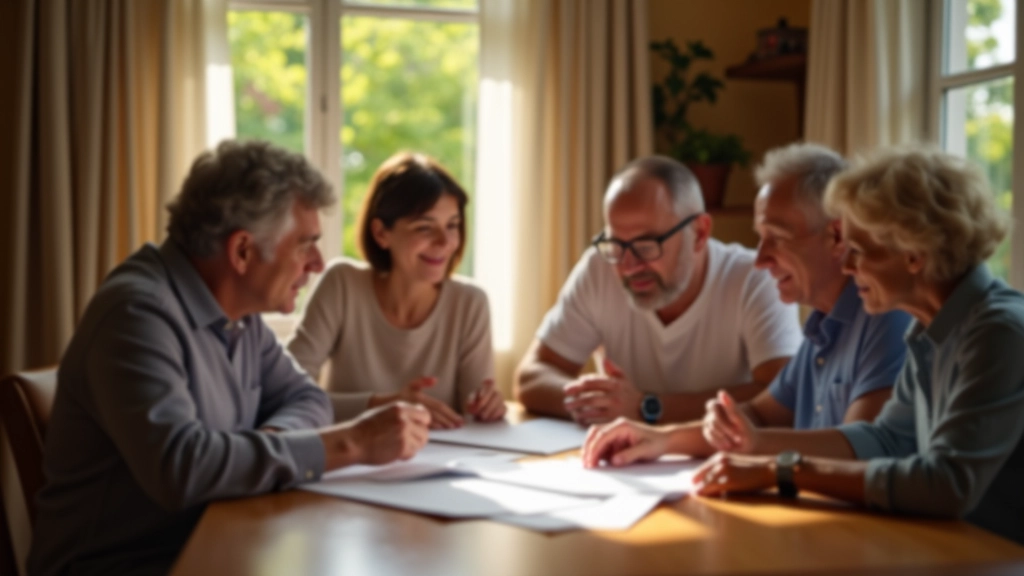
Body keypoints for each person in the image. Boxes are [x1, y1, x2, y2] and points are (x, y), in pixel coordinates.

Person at [28, 141, 432, 576]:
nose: (316, 263)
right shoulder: (136, 314)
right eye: (304, 245)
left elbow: (306, 397)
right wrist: (354, 443)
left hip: (209, 544)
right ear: (242, 251)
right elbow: (183, 468)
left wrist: (270, 445)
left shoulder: (239, 315)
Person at [686, 147, 1022, 544]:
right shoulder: (928, 330)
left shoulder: (999, 333)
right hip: (959, 550)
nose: (846, 266)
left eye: (859, 251)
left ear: (913, 255)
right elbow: (887, 440)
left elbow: (946, 483)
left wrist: (782, 469)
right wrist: (764, 455)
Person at [581, 143, 911, 465]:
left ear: (837, 236)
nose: (761, 259)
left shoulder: (884, 313)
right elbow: (759, 415)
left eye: (777, 238)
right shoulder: (823, 325)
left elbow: (864, 449)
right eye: (760, 238)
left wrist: (756, 448)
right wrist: (662, 439)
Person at [515, 155, 803, 426]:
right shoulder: (600, 268)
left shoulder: (754, 279)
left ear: (699, 234)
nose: (628, 266)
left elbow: (783, 399)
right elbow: (531, 377)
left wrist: (647, 407)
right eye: (617, 244)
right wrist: (599, 402)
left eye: (646, 246)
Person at [287, 152, 504, 429]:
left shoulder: (471, 302)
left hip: (440, 463)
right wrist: (381, 406)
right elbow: (287, 396)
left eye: (452, 225)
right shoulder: (342, 285)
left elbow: (475, 415)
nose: (444, 242)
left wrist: (487, 407)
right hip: (349, 462)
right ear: (381, 233)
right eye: (425, 228)